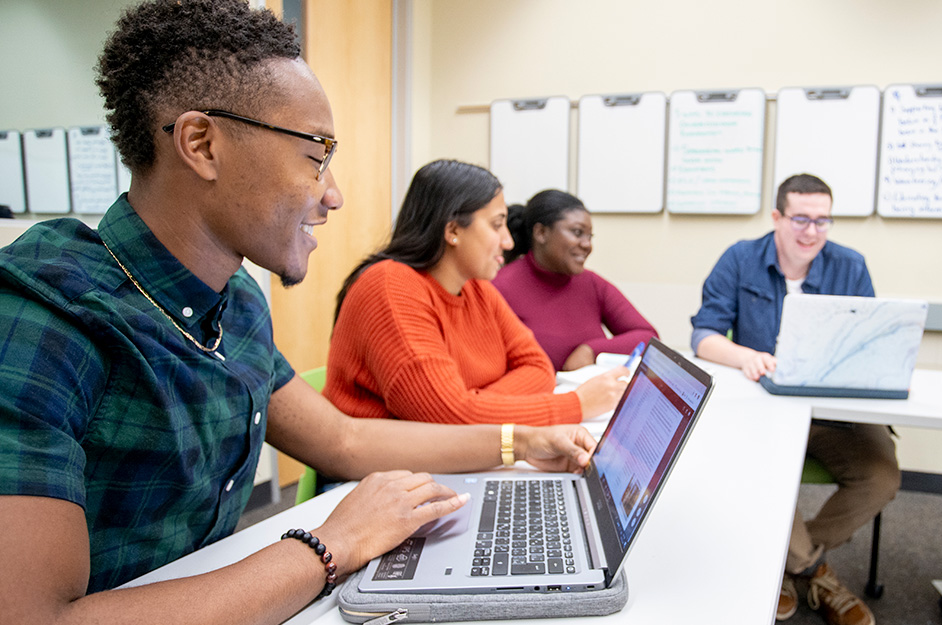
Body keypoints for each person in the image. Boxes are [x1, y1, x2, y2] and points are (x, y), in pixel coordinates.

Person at [0, 2, 595, 623]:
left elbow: (343, 438)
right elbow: (36, 618)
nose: (332, 193)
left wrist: (516, 442)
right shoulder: (45, 317)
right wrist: (330, 545)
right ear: (202, 144)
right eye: (315, 158)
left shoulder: (236, 300)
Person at [690, 174, 896, 625]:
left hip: (833, 411)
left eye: (823, 221)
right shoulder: (740, 259)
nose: (811, 232)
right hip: (765, 410)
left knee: (881, 477)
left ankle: (789, 562)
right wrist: (745, 356)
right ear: (777, 217)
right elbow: (703, 336)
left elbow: (868, 341)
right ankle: (816, 573)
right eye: (801, 219)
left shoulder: (849, 265)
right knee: (762, 475)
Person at [325, 162, 629, 426]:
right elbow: (447, 419)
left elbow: (538, 368)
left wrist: (471, 405)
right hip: (377, 473)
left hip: (448, 456)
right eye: (497, 225)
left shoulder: (477, 288)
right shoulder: (390, 287)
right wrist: (577, 405)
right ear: (453, 230)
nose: (508, 241)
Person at [491, 189, 658, 371]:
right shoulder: (499, 288)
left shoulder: (591, 283)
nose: (587, 245)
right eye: (577, 233)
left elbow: (649, 337)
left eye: (589, 236)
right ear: (541, 233)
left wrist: (591, 351)